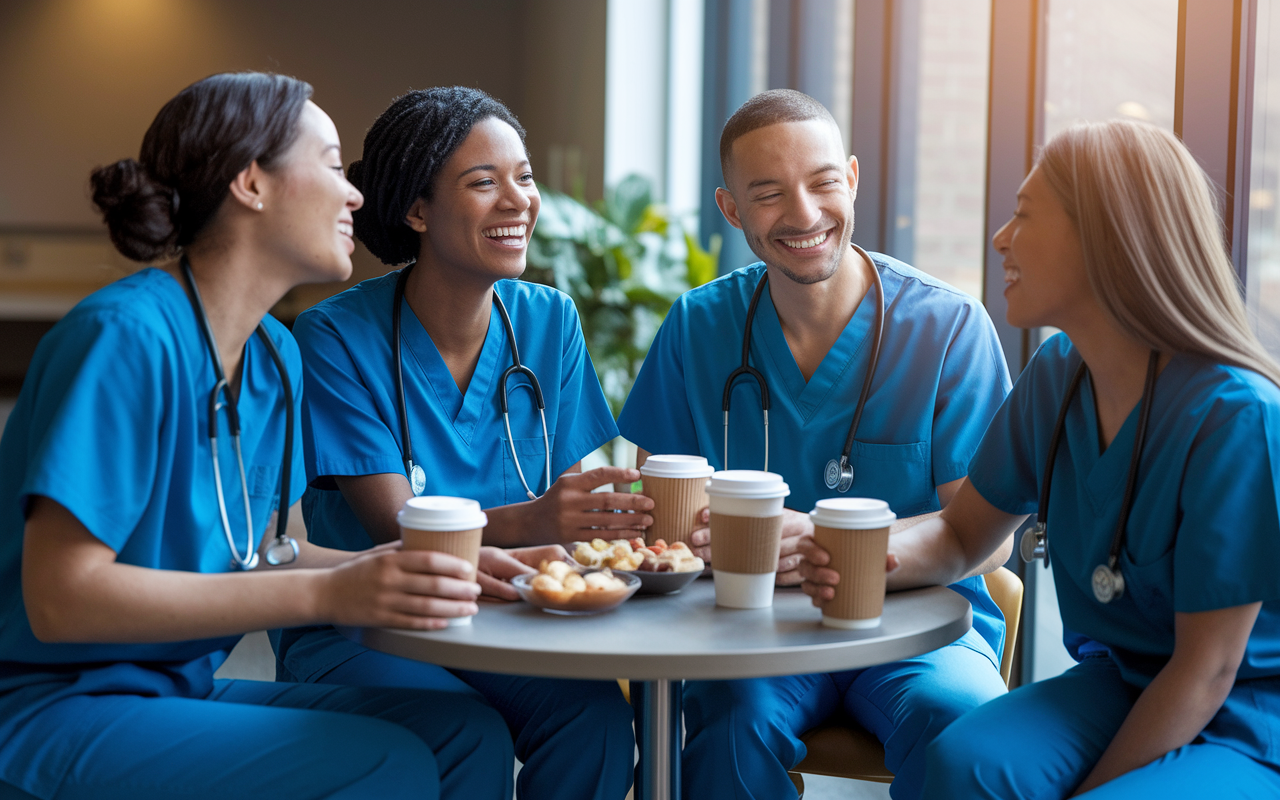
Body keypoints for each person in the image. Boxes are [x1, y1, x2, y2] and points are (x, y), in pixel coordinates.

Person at [0, 73, 517, 800]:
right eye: (333, 166)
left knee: (467, 733)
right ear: (251, 181)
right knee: (384, 763)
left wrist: (427, 568)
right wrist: (333, 593)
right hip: (49, 707)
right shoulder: (124, 339)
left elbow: (260, 553)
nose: (356, 195)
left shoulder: (277, 356)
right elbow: (61, 598)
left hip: (174, 687)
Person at [800, 119, 1280, 798]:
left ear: (1108, 240)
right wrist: (856, 556)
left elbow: (1206, 670)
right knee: (963, 761)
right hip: (1120, 678)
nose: (1000, 238)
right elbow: (964, 533)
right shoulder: (1059, 374)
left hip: (1245, 710)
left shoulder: (1237, 417)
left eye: (1024, 215)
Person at [616, 88, 1013, 800]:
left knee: (965, 730)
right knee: (729, 731)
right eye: (767, 194)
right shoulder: (698, 327)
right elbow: (660, 510)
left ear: (853, 179)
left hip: (915, 629)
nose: (803, 214)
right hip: (747, 633)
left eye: (824, 182)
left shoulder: (950, 329)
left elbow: (990, 540)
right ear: (732, 210)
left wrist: (833, 544)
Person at [272, 87, 637, 800]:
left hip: (510, 616)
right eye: (483, 182)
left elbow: (573, 517)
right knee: (463, 727)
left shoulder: (549, 322)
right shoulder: (335, 337)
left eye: (525, 177)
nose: (518, 201)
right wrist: (539, 520)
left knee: (595, 720)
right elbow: (398, 529)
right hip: (370, 624)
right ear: (416, 210)